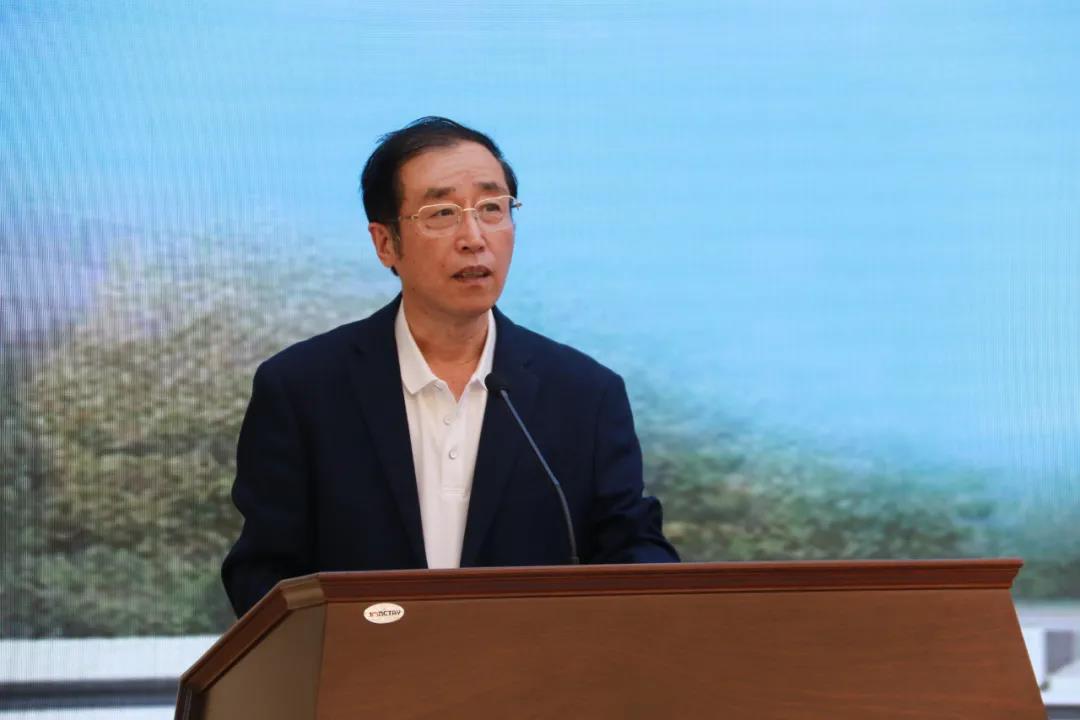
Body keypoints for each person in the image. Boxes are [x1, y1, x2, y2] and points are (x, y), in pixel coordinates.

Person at [221, 117, 679, 616]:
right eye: (441, 213)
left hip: (533, 664)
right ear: (385, 243)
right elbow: (263, 574)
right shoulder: (303, 389)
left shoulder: (584, 394)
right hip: (366, 664)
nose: (474, 237)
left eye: (492, 208)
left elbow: (631, 548)